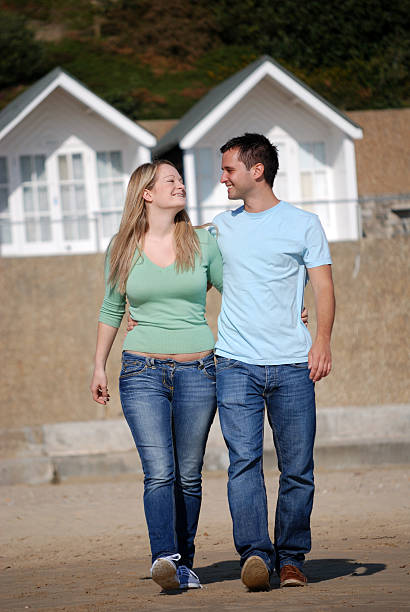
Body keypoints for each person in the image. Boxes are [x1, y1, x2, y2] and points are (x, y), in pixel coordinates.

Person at [90, 160, 224, 592]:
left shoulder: (203, 241)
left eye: (181, 179)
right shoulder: (122, 247)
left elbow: (236, 291)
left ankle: (184, 562)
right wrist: (98, 365)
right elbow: (112, 308)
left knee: (188, 473)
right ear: (146, 193)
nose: (181, 185)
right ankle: (164, 558)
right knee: (159, 472)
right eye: (171, 180)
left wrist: (288, 308)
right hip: (141, 371)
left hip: (198, 370)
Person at [213, 133, 335, 591]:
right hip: (235, 364)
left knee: (297, 468)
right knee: (243, 461)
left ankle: (291, 557)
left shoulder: (304, 224)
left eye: (228, 169)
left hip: (292, 365)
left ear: (256, 170)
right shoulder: (220, 227)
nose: (222, 177)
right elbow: (183, 272)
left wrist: (321, 339)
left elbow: (322, 287)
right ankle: (256, 556)